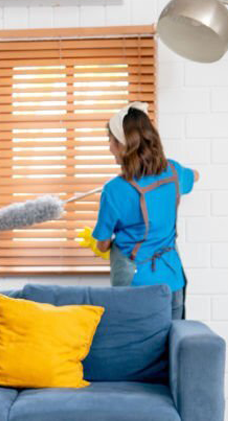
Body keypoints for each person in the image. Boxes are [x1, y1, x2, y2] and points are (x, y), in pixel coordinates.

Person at [79, 101, 199, 320]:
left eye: (111, 141)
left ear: (125, 146)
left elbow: (103, 243)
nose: (109, 148)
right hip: (173, 282)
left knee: (137, 351)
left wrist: (96, 244)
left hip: (135, 288)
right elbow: (195, 176)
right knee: (174, 346)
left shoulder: (114, 190)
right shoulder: (173, 172)